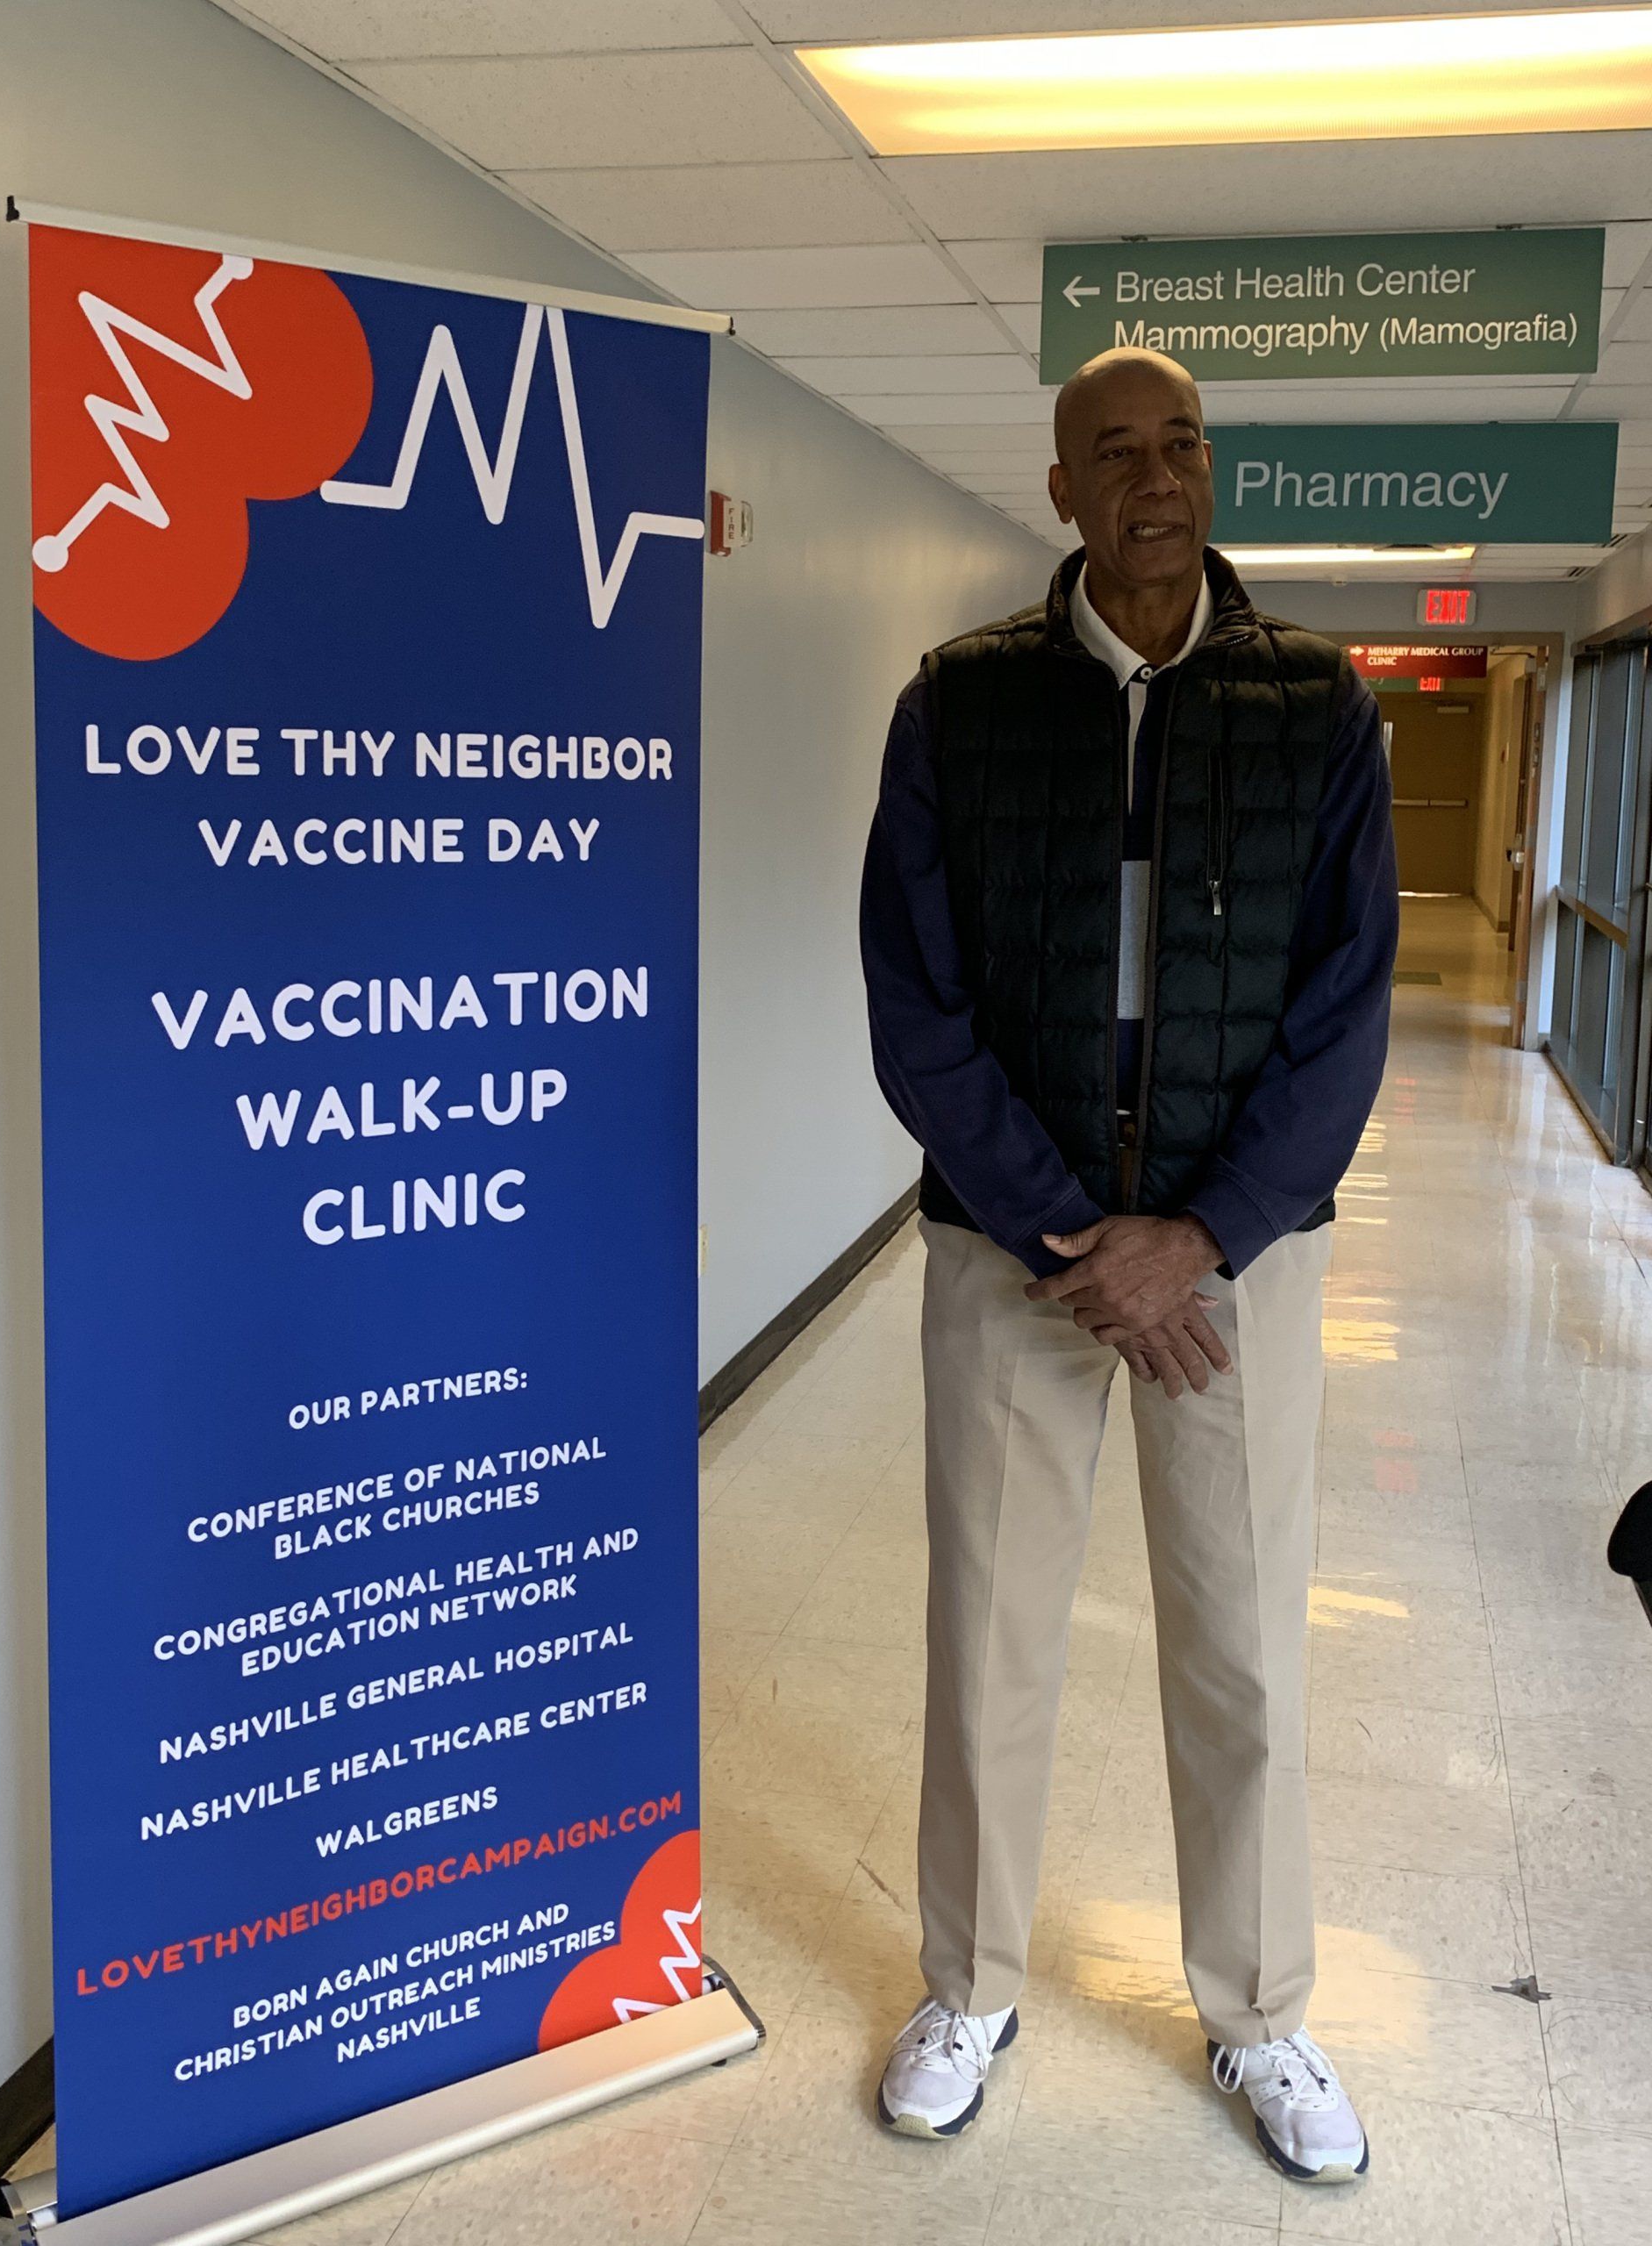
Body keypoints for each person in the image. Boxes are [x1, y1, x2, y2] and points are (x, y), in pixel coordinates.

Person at [858, 347, 1398, 2184]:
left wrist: (1205, 1235)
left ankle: (1258, 2007)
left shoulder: (1319, 704)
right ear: (1065, 488)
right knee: (990, 1637)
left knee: (1246, 1650)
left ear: (1207, 471)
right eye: (1119, 453)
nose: (1156, 477)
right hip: (1017, 1249)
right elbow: (915, 1008)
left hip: (1236, 1260)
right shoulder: (958, 704)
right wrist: (1067, 1231)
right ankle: (971, 1985)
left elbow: (1344, 1017)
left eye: (1182, 446)